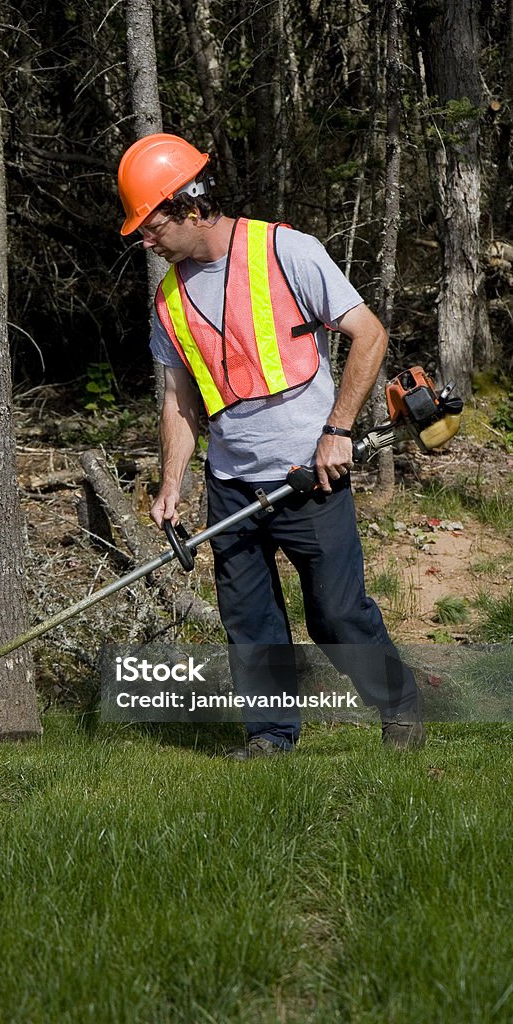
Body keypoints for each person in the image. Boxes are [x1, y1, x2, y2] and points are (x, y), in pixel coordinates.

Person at [117, 133, 424, 758]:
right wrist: (173, 481)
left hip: (309, 473)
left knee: (336, 616)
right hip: (231, 482)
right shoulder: (168, 298)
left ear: (188, 205)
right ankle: (270, 738)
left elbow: (369, 334)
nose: (144, 240)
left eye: (149, 225)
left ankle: (400, 703)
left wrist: (337, 431)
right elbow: (179, 398)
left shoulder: (285, 250)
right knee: (251, 623)